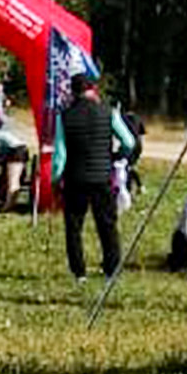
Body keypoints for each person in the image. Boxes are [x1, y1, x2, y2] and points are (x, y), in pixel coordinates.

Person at [51, 72, 138, 285]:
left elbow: (60, 156)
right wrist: (117, 157)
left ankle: (79, 273)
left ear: (72, 92)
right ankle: (111, 269)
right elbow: (129, 141)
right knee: (107, 225)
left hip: (75, 179)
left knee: (74, 227)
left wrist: (54, 179)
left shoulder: (64, 116)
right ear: (93, 90)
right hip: (102, 177)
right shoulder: (109, 112)